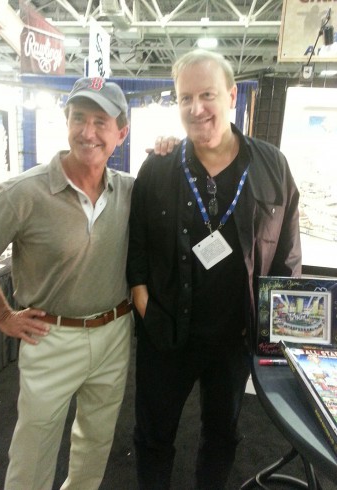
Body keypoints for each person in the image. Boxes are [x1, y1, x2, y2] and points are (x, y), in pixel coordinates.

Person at [127, 49, 302, 490]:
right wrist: (149, 313)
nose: (196, 108)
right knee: (153, 438)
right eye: (185, 97)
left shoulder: (272, 167)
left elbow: (287, 259)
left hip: (234, 341)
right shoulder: (158, 168)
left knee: (222, 436)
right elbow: (138, 257)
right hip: (166, 336)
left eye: (207, 94)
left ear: (231, 95)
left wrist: (272, 334)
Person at [0, 77, 134, 490]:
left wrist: (172, 149)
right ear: (66, 121)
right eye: (78, 118)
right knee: (34, 449)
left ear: (121, 132)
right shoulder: (23, 192)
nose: (88, 132)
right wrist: (1, 314)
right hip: (51, 337)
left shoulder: (131, 191)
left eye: (100, 121)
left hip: (114, 333)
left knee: (95, 444)